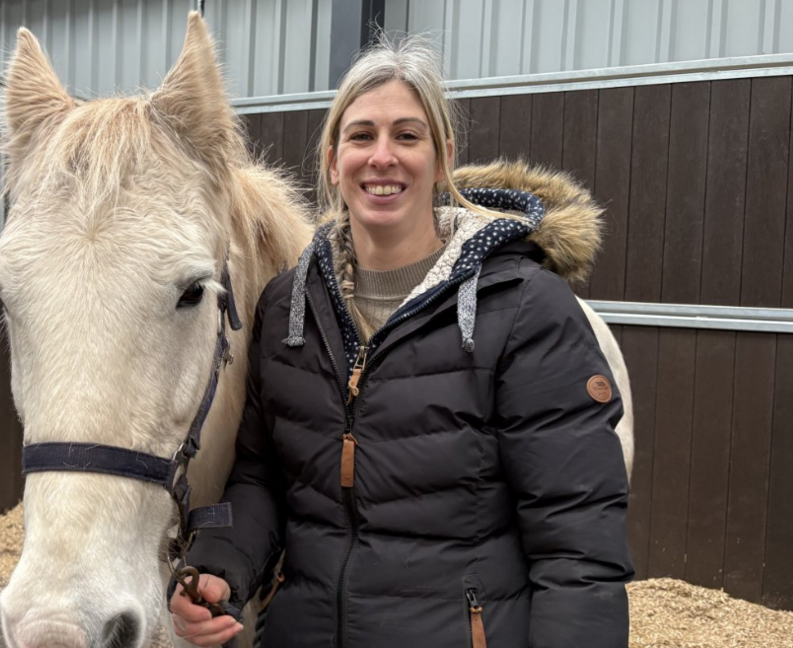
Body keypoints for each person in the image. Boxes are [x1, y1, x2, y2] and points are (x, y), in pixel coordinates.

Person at [170, 33, 633, 648]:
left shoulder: (525, 307)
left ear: (441, 158)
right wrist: (220, 566)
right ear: (333, 160)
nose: (381, 156)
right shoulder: (287, 307)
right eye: (361, 136)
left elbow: (577, 544)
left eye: (406, 136)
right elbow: (263, 478)